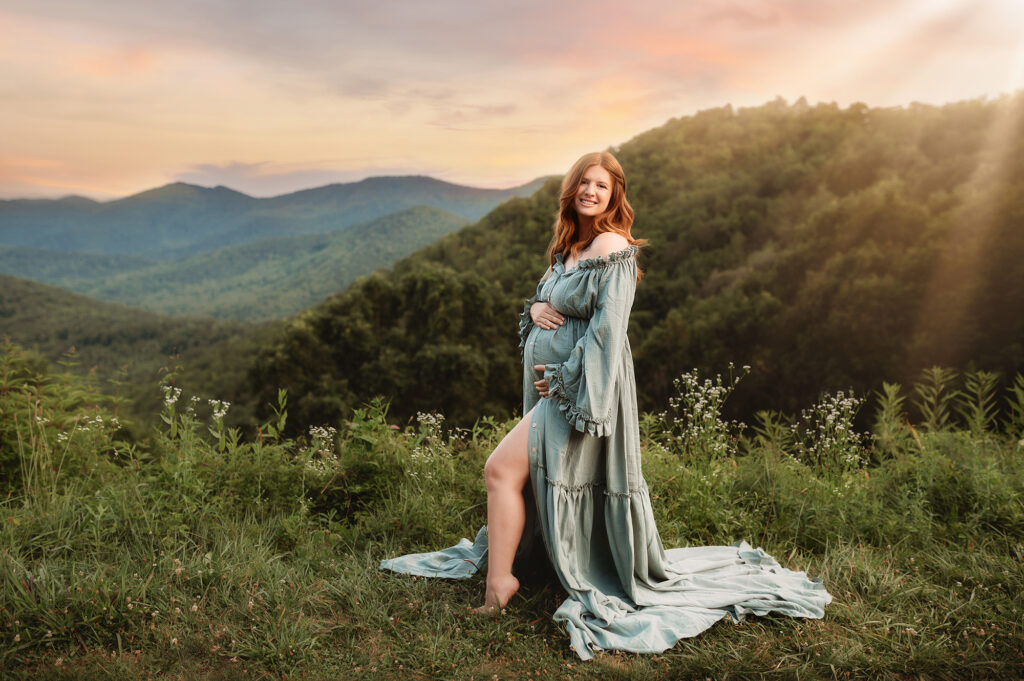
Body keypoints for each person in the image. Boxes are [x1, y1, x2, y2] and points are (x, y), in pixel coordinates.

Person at [380, 152, 832, 661]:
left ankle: (499, 586)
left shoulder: (612, 246)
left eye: (602, 185)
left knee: (500, 471)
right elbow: (543, 303)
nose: (591, 191)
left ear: (615, 194)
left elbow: (608, 331)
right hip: (554, 386)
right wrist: (535, 307)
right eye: (584, 183)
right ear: (571, 190)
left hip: (581, 388)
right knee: (520, 475)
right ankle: (521, 569)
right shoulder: (568, 248)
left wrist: (568, 381)